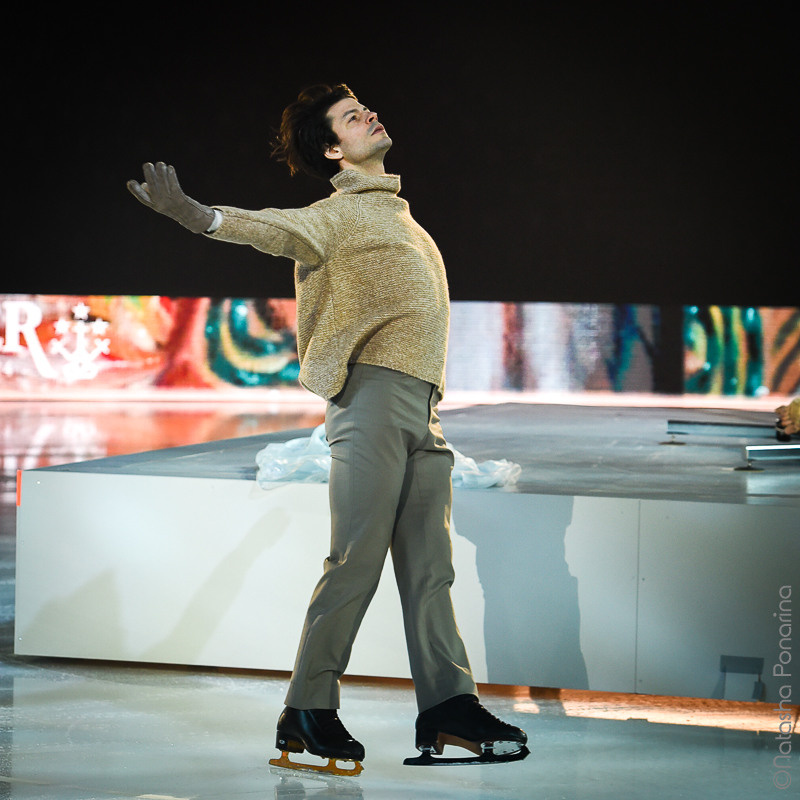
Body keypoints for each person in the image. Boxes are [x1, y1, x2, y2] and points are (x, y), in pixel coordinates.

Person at [127, 84, 528, 776]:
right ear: (334, 148)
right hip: (370, 405)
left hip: (422, 415)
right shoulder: (335, 217)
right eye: (351, 116)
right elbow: (267, 227)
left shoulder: (405, 221)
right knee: (355, 562)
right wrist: (195, 215)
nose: (370, 113)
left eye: (364, 106)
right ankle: (308, 708)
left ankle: (447, 704)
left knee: (432, 571)